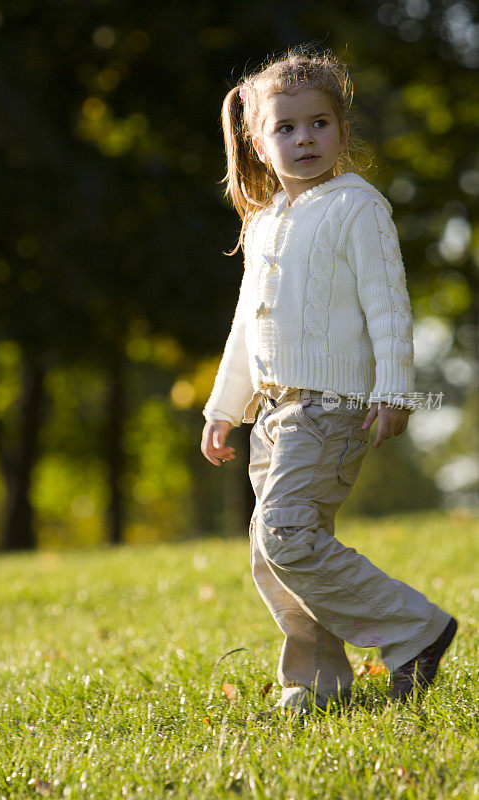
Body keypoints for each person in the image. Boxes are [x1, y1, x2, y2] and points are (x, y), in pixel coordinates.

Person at [200, 45, 457, 715]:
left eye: (318, 123)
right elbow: (243, 328)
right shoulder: (263, 226)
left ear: (342, 132)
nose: (303, 138)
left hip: (330, 407)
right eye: (285, 128)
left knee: (285, 534)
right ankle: (316, 683)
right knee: (274, 552)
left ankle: (415, 630)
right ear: (259, 145)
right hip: (273, 415)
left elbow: (387, 304)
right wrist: (223, 407)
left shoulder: (356, 206)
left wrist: (392, 390)